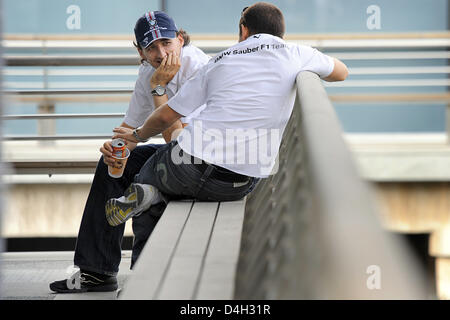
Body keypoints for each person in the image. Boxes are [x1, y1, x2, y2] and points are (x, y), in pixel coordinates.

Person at [106, 3, 348, 230]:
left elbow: (164, 118)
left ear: (244, 30)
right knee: (173, 180)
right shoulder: (297, 53)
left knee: (147, 175)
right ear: (281, 33)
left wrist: (138, 135)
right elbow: (341, 72)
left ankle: (151, 195)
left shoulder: (219, 60)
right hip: (239, 181)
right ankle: (153, 194)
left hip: (186, 165)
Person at [49, 11, 210, 293]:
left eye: (166, 43)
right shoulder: (149, 72)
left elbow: (176, 141)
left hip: (203, 162)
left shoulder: (197, 68)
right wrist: (116, 149)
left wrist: (159, 87)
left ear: (180, 40)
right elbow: (130, 128)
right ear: (140, 52)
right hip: (181, 154)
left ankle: (146, 284)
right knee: (113, 165)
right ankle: (97, 272)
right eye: (151, 47)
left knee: (148, 177)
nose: (161, 53)